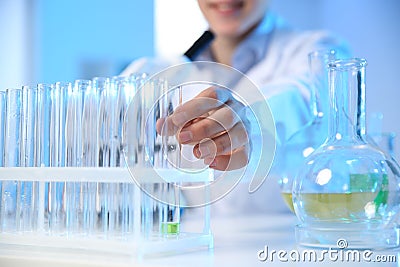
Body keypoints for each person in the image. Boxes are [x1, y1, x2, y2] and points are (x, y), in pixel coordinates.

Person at [121, 0, 350, 214]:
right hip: (196, 249)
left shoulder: (319, 51)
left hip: (288, 245)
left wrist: (249, 120)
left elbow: (301, 97)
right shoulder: (169, 70)